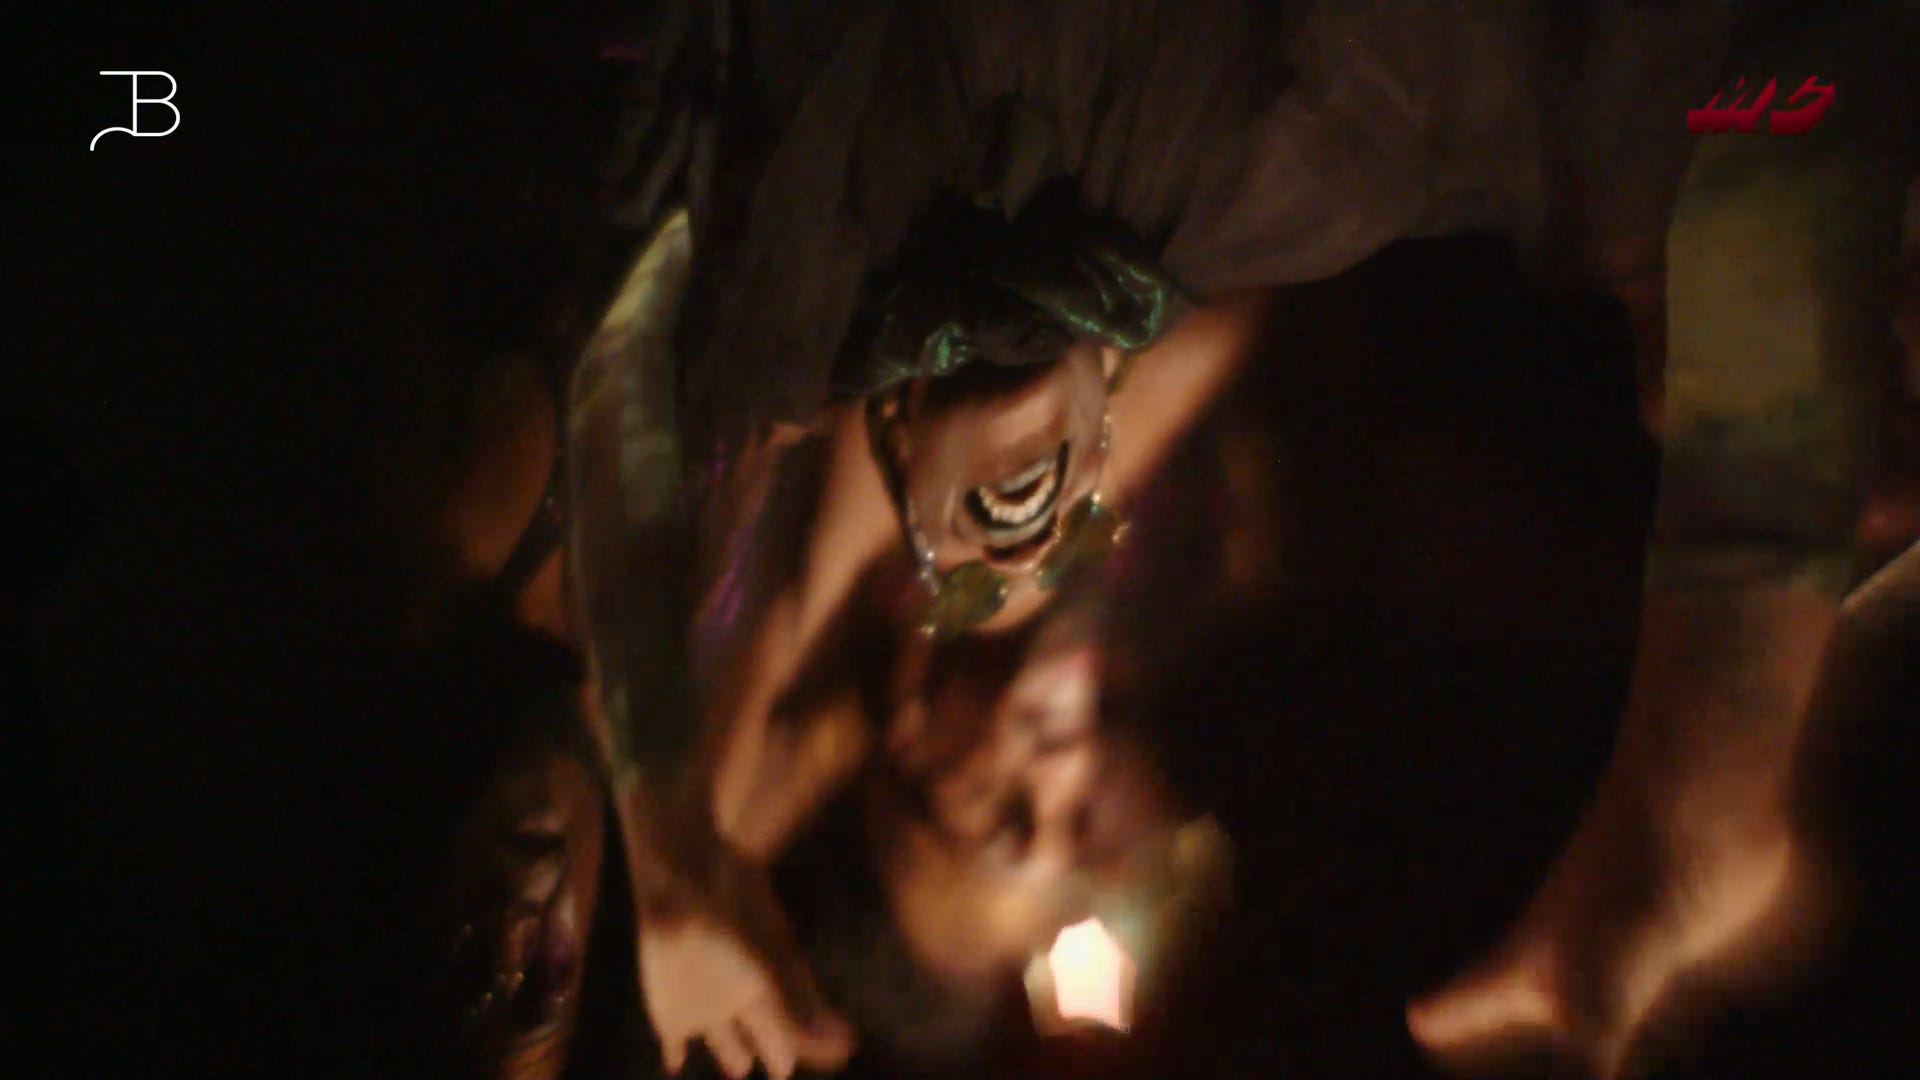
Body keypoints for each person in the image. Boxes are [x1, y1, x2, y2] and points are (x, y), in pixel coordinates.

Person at [576, 4, 1920, 1077]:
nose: (1059, 776)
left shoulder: (805, 324)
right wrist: (1717, 733)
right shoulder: (1285, 199)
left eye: (994, 815)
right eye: (1070, 831)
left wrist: (678, 840)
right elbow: (1778, 98)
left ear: (898, 739)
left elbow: (627, 373)